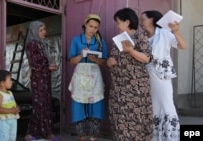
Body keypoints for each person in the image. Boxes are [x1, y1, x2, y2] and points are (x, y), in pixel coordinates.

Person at [107, 8, 153, 141]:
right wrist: (110, 62)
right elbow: (114, 59)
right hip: (118, 89)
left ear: (127, 22)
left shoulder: (140, 37)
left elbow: (146, 58)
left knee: (135, 121)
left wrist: (131, 51)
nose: (116, 26)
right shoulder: (117, 41)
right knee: (119, 121)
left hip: (135, 89)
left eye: (118, 22)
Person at [139, 10, 187, 141]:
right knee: (153, 107)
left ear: (152, 19)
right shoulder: (140, 37)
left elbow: (183, 45)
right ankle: (156, 137)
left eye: (143, 19)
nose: (140, 22)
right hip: (145, 77)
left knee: (166, 106)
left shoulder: (164, 33)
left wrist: (176, 32)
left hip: (161, 76)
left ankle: (171, 137)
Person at [68, 14, 108, 141]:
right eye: (90, 26)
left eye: (96, 28)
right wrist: (81, 55)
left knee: (95, 103)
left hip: (95, 75)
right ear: (85, 24)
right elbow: (71, 61)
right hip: (80, 75)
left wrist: (96, 59)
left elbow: (105, 62)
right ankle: (81, 136)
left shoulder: (100, 41)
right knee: (79, 103)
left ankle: (93, 136)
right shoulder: (76, 40)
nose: (92, 29)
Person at [24, 21, 58, 141]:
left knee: (45, 105)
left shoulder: (42, 44)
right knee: (40, 105)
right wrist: (47, 68)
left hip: (45, 78)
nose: (44, 32)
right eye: (41, 30)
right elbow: (33, 64)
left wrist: (51, 67)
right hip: (38, 79)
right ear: (34, 31)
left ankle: (33, 133)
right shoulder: (32, 44)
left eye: (44, 30)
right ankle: (45, 133)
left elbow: (44, 62)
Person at [0, 70, 20, 141]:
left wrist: (17, 108)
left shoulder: (10, 93)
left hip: (13, 119)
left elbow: (14, 103)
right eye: (10, 80)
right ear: (2, 83)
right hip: (4, 121)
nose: (12, 82)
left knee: (12, 137)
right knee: (3, 138)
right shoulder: (0, 95)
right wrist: (11, 110)